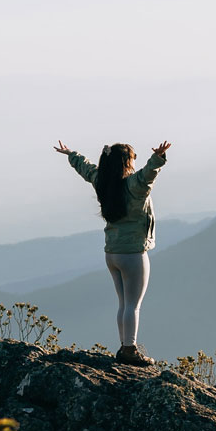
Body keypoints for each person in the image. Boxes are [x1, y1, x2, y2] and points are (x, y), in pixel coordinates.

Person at [56, 138, 170, 366]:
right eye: (132, 159)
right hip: (133, 254)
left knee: (123, 304)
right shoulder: (134, 186)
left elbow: (86, 169)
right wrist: (158, 157)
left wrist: (71, 154)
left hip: (112, 253)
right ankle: (129, 350)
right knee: (133, 305)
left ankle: (125, 345)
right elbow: (149, 173)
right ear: (126, 163)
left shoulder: (102, 181)